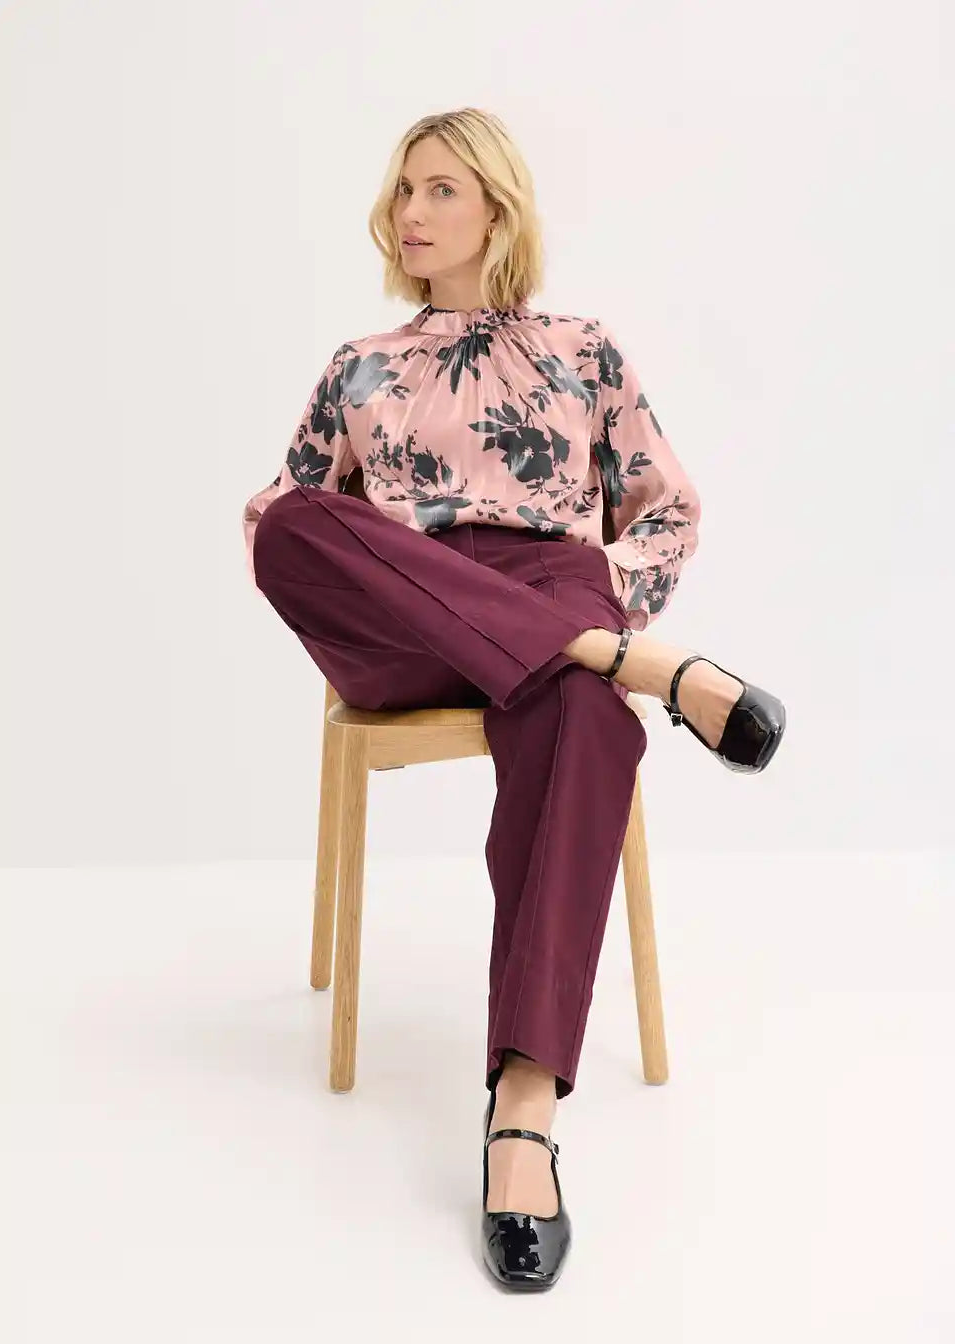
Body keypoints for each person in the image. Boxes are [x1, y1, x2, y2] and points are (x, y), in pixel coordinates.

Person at [242, 107, 786, 1291]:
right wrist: (607, 639)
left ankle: (524, 1111)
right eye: (403, 189)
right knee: (292, 526)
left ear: (499, 207)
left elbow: (666, 509)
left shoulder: (584, 349)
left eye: (441, 188)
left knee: (581, 715)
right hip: (410, 620)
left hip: (553, 588)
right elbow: (279, 526)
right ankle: (643, 668)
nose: (411, 211)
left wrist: (606, 599)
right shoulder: (359, 364)